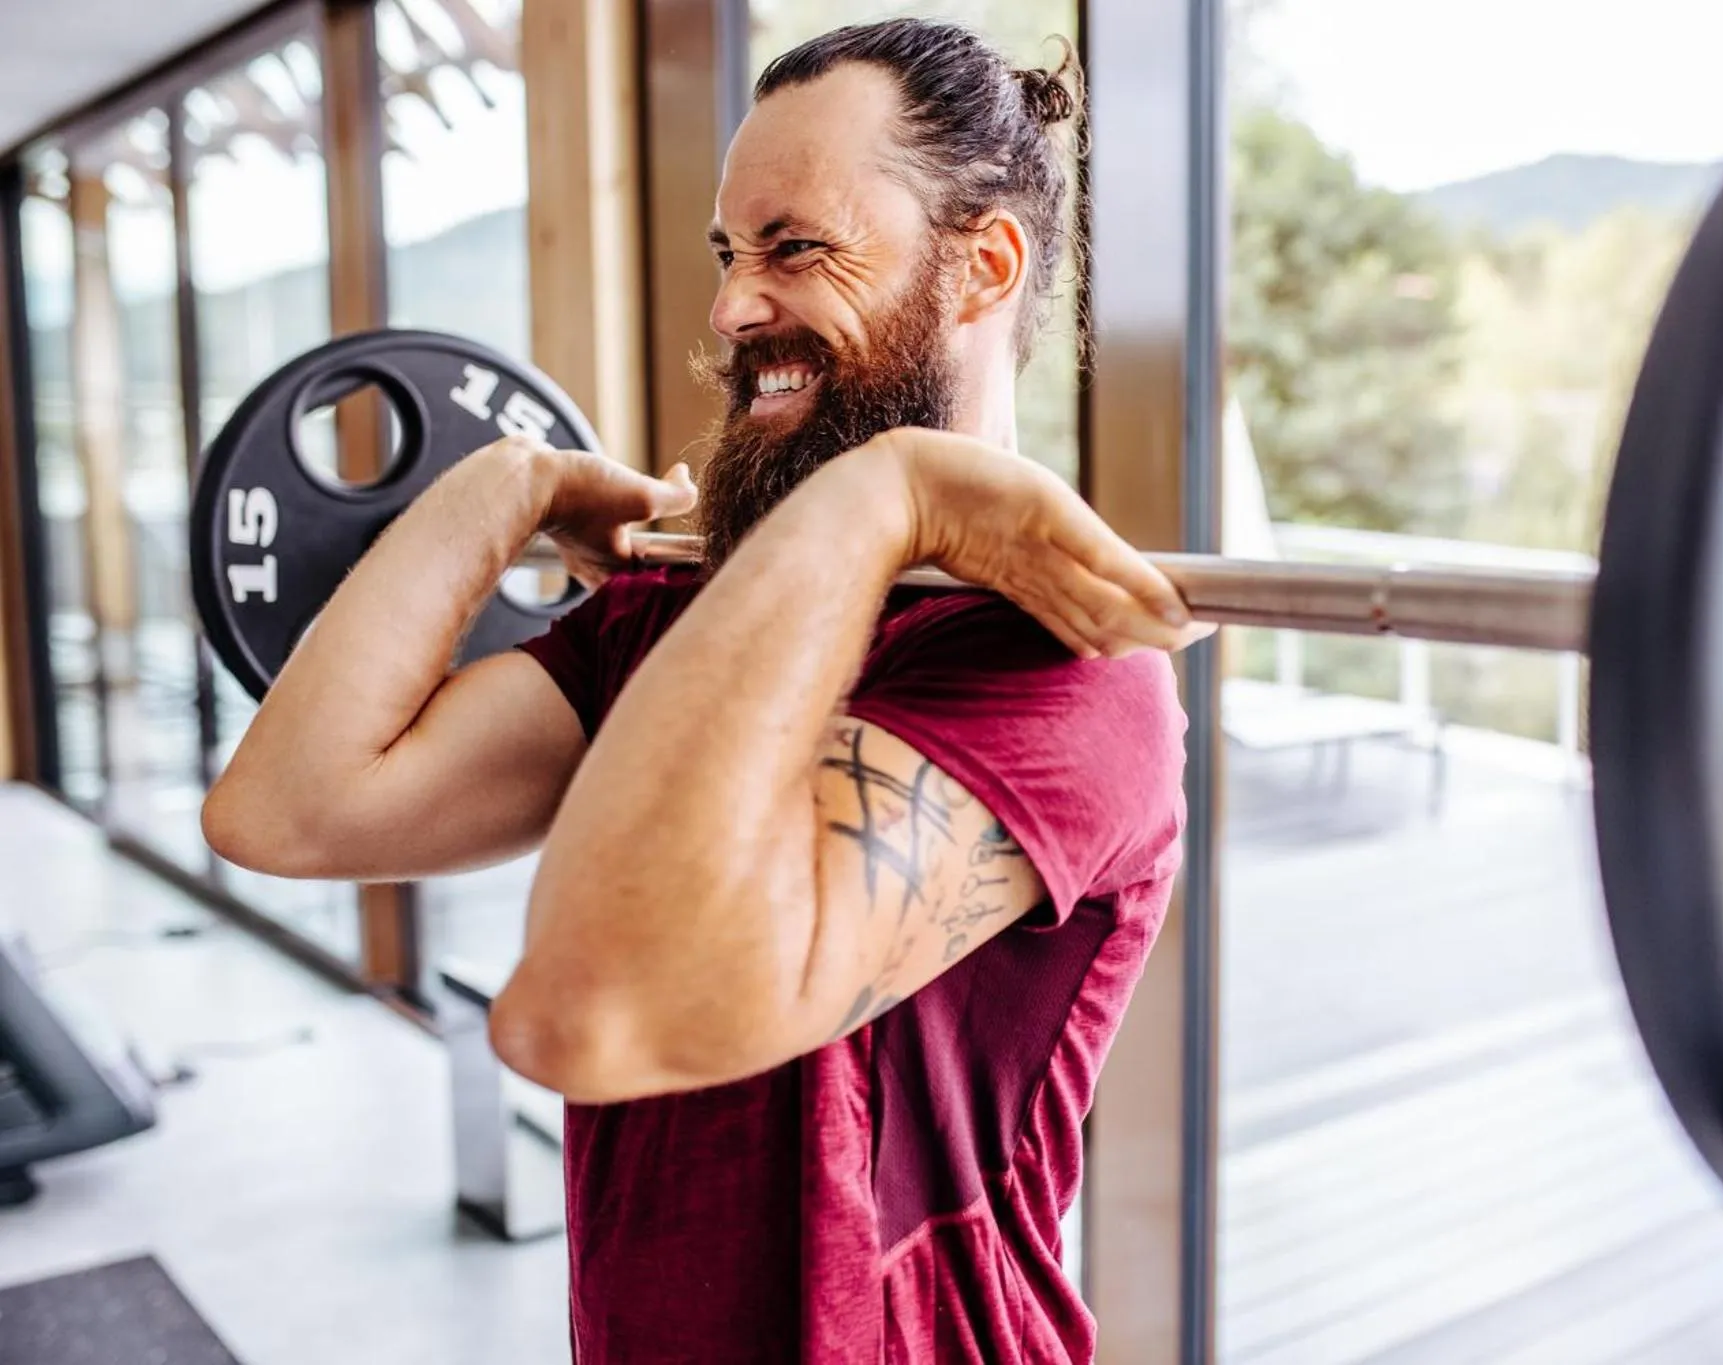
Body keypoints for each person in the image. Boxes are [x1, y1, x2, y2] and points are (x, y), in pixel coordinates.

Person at [202, 17, 1209, 1364]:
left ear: (982, 267)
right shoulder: (679, 614)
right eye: (731, 256)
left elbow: (593, 1014)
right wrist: (515, 484)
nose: (736, 307)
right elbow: (288, 811)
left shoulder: (1060, 674)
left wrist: (884, 495)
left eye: (795, 249)